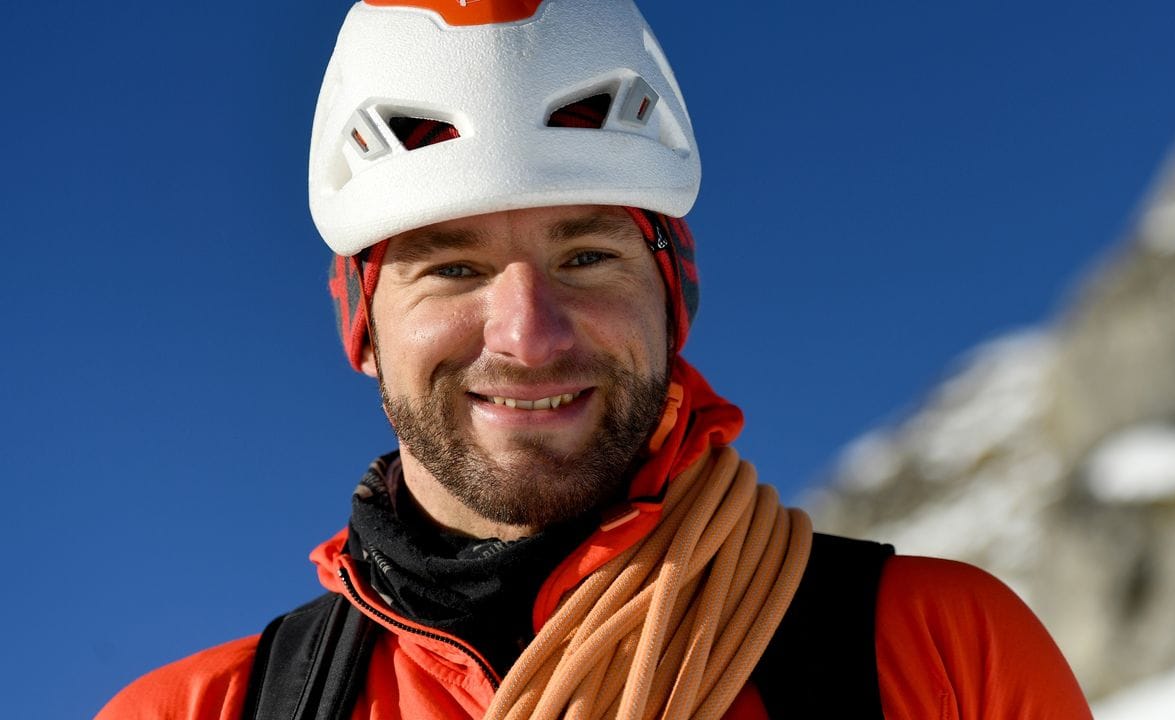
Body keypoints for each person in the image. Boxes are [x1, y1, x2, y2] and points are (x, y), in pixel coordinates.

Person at [99, 1, 1093, 718]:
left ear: (673, 299)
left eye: (584, 256)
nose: (526, 335)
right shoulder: (197, 712)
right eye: (449, 268)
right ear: (362, 327)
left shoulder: (935, 658)